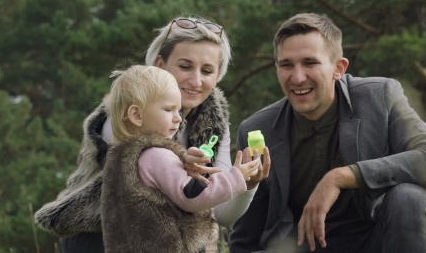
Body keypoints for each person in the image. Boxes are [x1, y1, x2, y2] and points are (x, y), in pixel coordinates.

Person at [34, 17, 271, 252]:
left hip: (163, 235)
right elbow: (166, 189)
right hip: (99, 236)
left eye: (207, 70)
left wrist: (248, 184)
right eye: (185, 66)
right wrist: (185, 166)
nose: (196, 80)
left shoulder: (214, 121)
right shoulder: (127, 114)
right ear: (160, 65)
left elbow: (219, 212)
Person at [229, 13, 426, 253]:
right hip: (301, 247)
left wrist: (340, 177)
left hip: (376, 240)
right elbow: (247, 235)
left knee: (408, 198)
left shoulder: (381, 97)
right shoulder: (256, 129)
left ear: (339, 68)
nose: (298, 77)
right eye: (287, 65)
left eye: (310, 63)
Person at [100, 65, 260, 252]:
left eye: (178, 110)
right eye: (169, 110)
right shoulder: (156, 155)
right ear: (136, 115)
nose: (178, 119)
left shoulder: (118, 158)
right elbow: (191, 197)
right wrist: (236, 177)